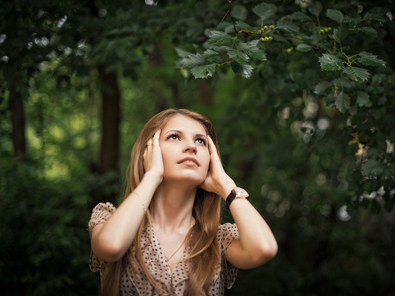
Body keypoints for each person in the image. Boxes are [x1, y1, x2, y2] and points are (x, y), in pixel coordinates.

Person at [88, 108, 278, 296]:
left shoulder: (218, 240)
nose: (191, 147)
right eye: (174, 137)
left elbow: (263, 249)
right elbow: (110, 246)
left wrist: (225, 184)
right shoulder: (108, 217)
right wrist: (152, 175)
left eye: (201, 141)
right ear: (149, 151)